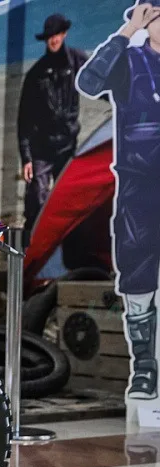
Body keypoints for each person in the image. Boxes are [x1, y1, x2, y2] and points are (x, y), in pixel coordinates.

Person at [78, 0, 160, 400]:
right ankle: (144, 367)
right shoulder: (129, 61)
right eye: (155, 16)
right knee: (138, 273)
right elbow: (89, 82)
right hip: (139, 187)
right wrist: (126, 33)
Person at [18, 14, 88, 240]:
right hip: (41, 148)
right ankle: (32, 247)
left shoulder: (77, 61)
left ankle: (68, 249)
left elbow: (100, 84)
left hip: (68, 146)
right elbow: (24, 118)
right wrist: (26, 157)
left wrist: (122, 103)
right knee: (36, 199)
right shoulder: (36, 74)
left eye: (57, 34)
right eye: (50, 36)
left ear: (64, 34)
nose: (54, 40)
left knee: (68, 200)